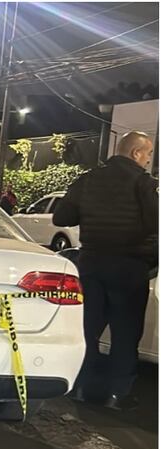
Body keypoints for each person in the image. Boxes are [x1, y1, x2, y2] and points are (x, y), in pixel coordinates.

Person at [54, 131, 159, 410]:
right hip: (130, 267)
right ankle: (117, 394)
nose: (148, 160)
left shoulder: (88, 179)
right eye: (148, 154)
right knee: (126, 333)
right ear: (136, 153)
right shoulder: (144, 184)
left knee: (89, 328)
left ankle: (80, 386)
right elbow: (156, 225)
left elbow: (61, 218)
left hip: (91, 264)